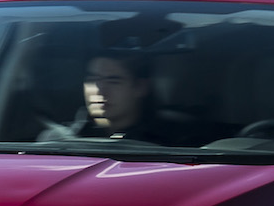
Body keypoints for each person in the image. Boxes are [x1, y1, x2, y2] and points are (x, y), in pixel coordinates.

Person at [40, 54, 212, 146]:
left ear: (140, 87)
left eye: (113, 81)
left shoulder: (178, 143)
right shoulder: (60, 140)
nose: (99, 90)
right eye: (92, 80)